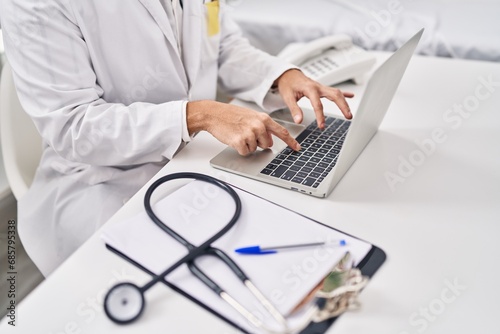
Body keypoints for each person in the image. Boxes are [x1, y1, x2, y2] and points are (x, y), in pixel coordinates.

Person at [0, 0, 353, 277]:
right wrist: (198, 114)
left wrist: (281, 75)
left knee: (301, 220)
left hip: (199, 156)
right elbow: (73, 126)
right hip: (104, 184)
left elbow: (225, 45)